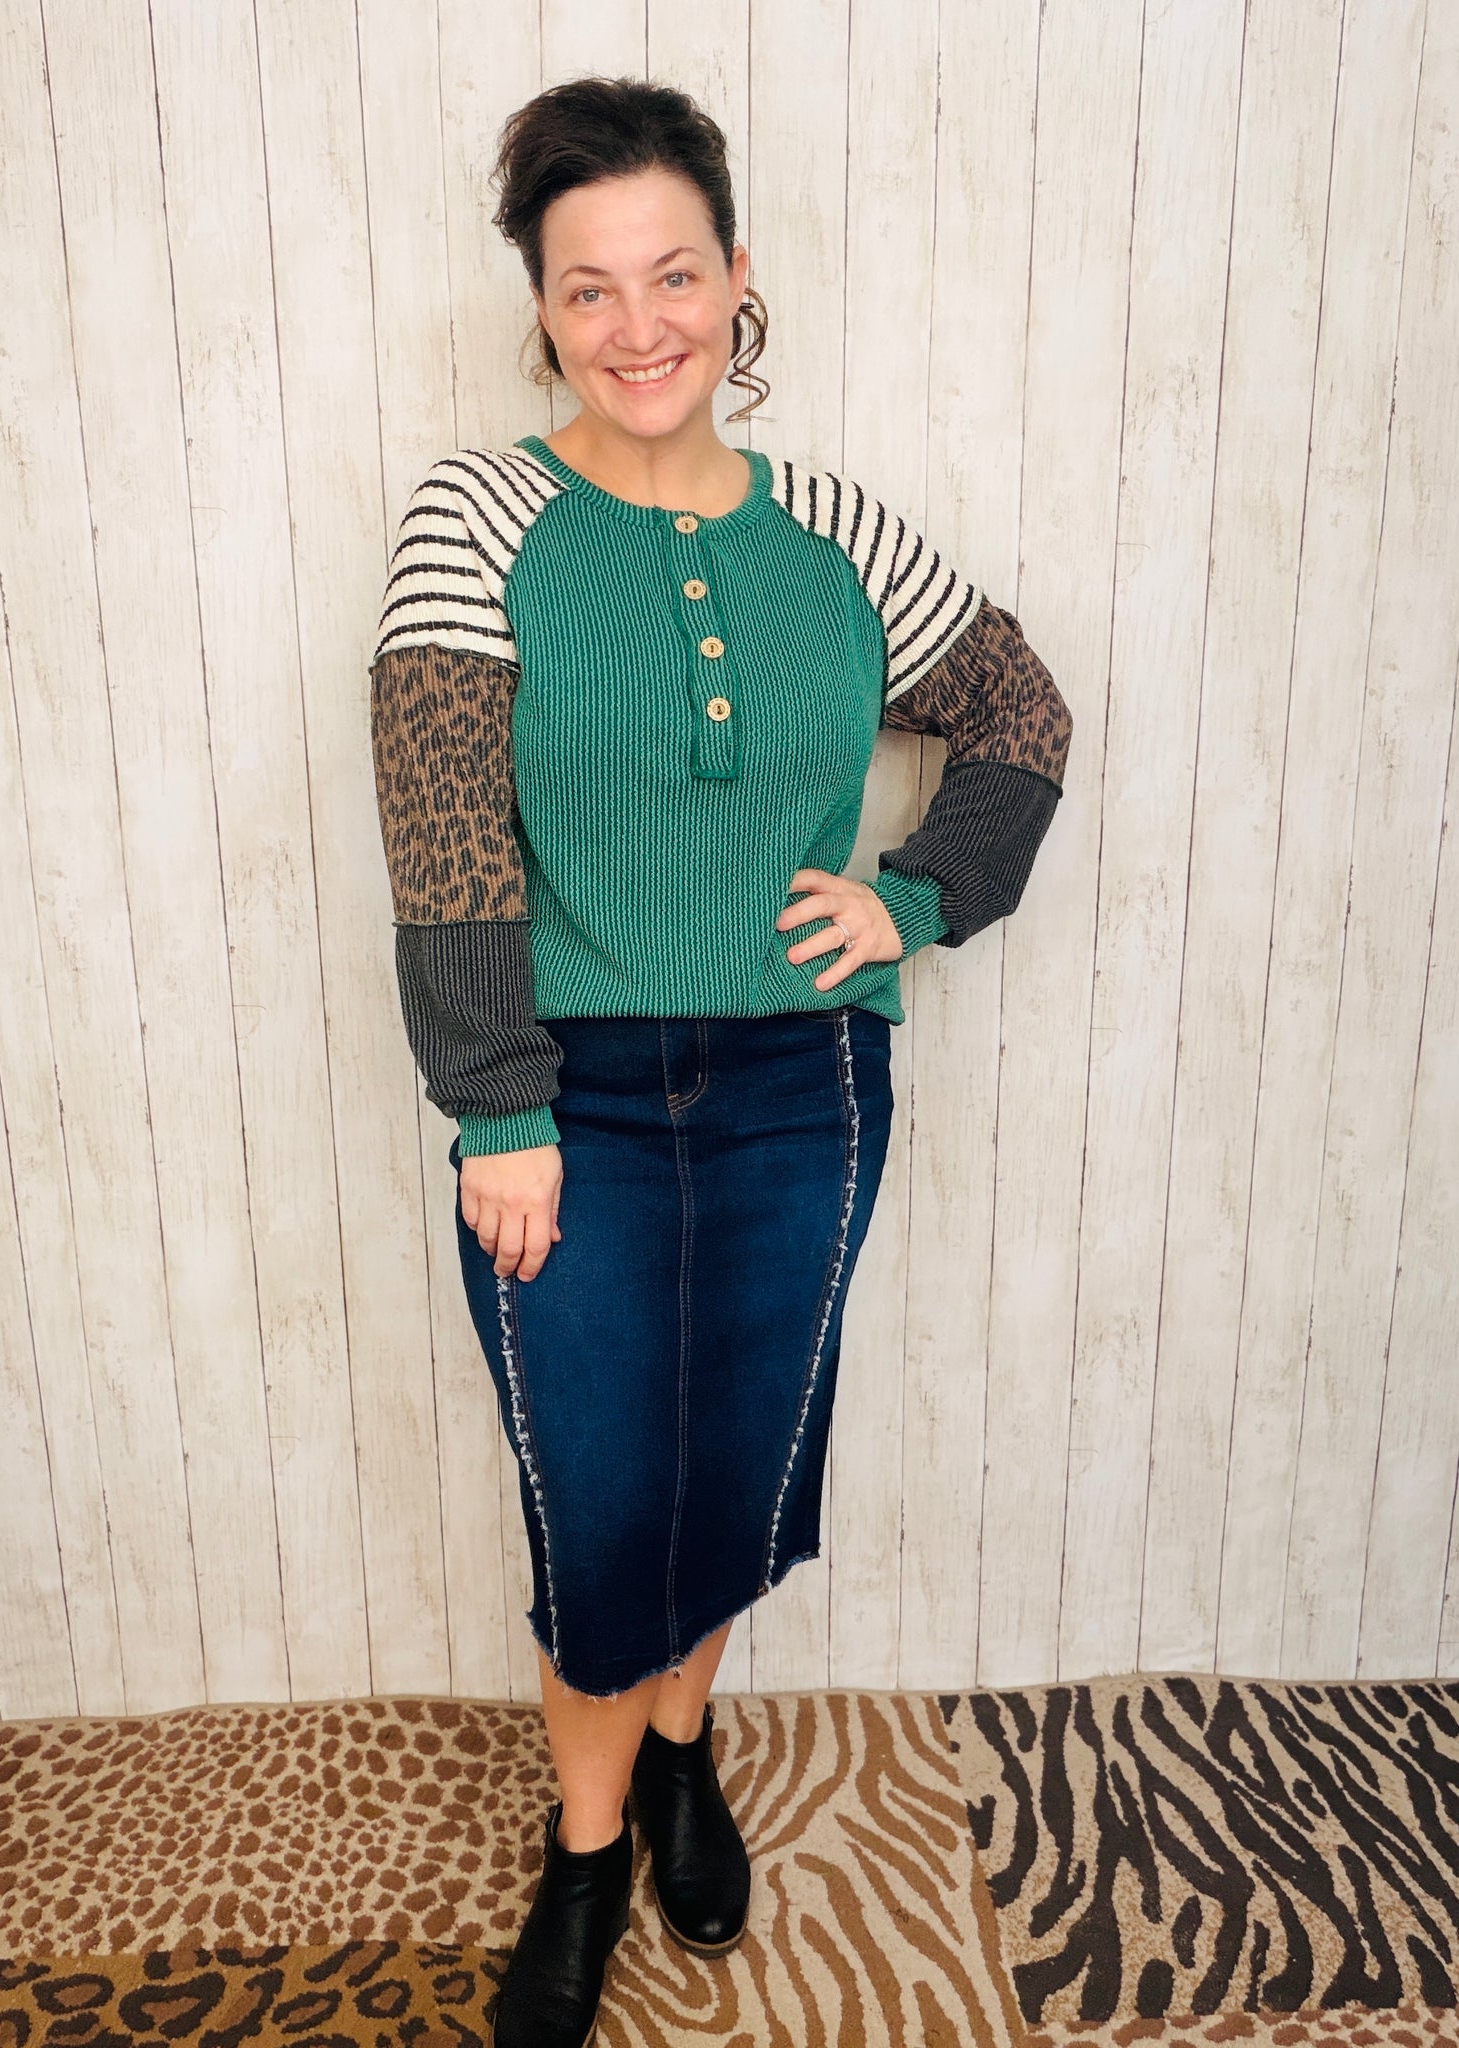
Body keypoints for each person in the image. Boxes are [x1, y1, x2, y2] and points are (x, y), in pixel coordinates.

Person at [367, 74, 1072, 2048]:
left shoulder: (833, 535)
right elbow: (443, 827)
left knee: (739, 1456)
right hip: (568, 1099)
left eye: (674, 273)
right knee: (602, 1493)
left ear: (736, 277)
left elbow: (1021, 712)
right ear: (541, 308)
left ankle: (684, 1753)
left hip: (801, 1091)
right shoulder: (478, 520)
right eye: (588, 287)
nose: (639, 322)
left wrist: (916, 900)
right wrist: (498, 1105)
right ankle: (587, 1845)